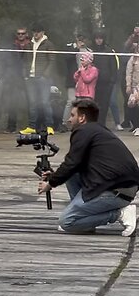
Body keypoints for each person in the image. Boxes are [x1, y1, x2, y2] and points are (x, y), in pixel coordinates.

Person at [39, 99, 139, 236]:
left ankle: (119, 214)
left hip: (116, 191)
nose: (69, 119)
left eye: (72, 115)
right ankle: (85, 222)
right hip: (122, 186)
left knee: (67, 222)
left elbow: (71, 162)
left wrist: (50, 184)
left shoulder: (83, 131)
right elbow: (76, 166)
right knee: (72, 174)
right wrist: (55, 176)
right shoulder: (97, 130)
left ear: (82, 118)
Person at [21, 26, 56, 134]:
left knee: (45, 102)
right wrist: (25, 75)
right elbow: (25, 61)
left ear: (43, 32)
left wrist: (45, 75)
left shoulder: (48, 44)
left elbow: (52, 60)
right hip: (30, 77)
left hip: (43, 78)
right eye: (34, 31)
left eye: (38, 32)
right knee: (32, 103)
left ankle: (49, 126)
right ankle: (32, 126)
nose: (36, 34)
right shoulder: (29, 45)